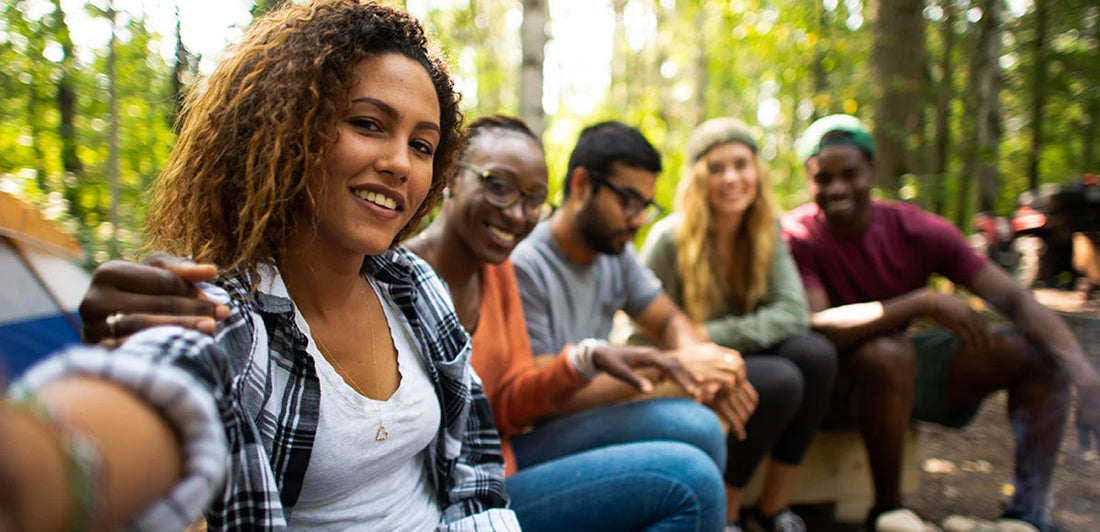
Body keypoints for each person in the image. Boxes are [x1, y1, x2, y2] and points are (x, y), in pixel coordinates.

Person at [5, 2, 521, 530]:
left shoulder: (411, 284)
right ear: (288, 128)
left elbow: (472, 448)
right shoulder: (223, 312)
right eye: (368, 124)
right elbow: (163, 385)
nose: (399, 163)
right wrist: (43, 458)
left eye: (421, 145)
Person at [78, 115, 732, 531]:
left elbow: (489, 418)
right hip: (494, 471)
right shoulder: (380, 279)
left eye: (534, 199)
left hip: (485, 480)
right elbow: (183, 384)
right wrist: (107, 372)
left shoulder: (464, 276)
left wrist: (589, 359)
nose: (518, 214)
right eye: (499, 187)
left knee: (698, 429)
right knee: (689, 478)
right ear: (454, 182)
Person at [780, 114, 1100, 532]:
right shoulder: (798, 234)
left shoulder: (916, 229)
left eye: (850, 175)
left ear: (873, 171)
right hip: (835, 381)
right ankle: (888, 511)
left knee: (1035, 351)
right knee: (885, 353)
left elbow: (1015, 299)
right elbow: (817, 325)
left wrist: (1086, 378)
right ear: (809, 180)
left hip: (903, 371)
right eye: (824, 178)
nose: (837, 188)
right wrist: (921, 301)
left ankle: (1027, 515)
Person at [508, 121, 759, 486]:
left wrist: (700, 367)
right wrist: (670, 366)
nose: (639, 219)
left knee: (711, 409)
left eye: (646, 205)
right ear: (581, 185)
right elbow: (544, 400)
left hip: (591, 411)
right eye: (627, 201)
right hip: (537, 435)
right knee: (699, 428)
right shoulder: (526, 264)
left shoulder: (615, 251)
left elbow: (668, 318)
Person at [630, 117, 837, 532]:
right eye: (716, 167)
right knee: (780, 379)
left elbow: (793, 313)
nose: (731, 178)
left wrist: (710, 334)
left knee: (816, 356)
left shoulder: (766, 229)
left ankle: (774, 508)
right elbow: (636, 326)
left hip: (726, 350)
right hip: (678, 367)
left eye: (741, 164)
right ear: (697, 178)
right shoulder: (669, 238)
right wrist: (693, 350)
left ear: (756, 171)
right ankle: (726, 511)